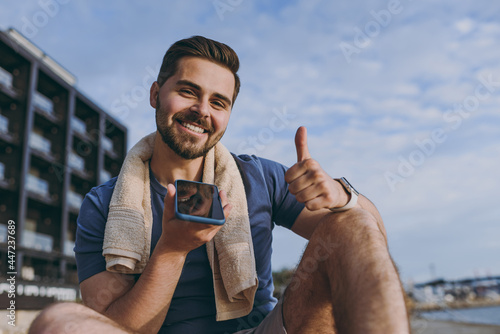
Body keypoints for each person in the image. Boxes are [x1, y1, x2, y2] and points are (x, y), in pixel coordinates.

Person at [29, 36, 410, 334]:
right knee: (57, 320)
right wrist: (171, 252)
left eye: (219, 102)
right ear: (154, 94)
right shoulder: (104, 204)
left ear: (227, 115)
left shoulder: (258, 176)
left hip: (262, 331)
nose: (203, 111)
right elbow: (116, 329)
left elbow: (367, 232)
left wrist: (341, 195)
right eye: (188, 91)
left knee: (351, 220)